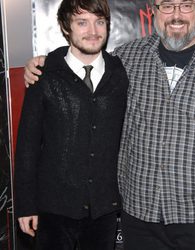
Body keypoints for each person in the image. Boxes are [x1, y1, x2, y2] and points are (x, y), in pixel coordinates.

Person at [24, 0, 195, 249]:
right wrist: (46, 63)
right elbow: (79, 63)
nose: (176, 15)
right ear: (153, 10)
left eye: (186, 5)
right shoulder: (126, 59)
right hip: (142, 220)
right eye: (166, 5)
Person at [14, 0, 129, 249]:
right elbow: (27, 145)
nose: (93, 31)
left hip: (103, 210)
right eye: (82, 22)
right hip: (53, 209)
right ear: (66, 27)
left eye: (99, 22)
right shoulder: (45, 74)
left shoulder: (120, 74)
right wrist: (25, 205)